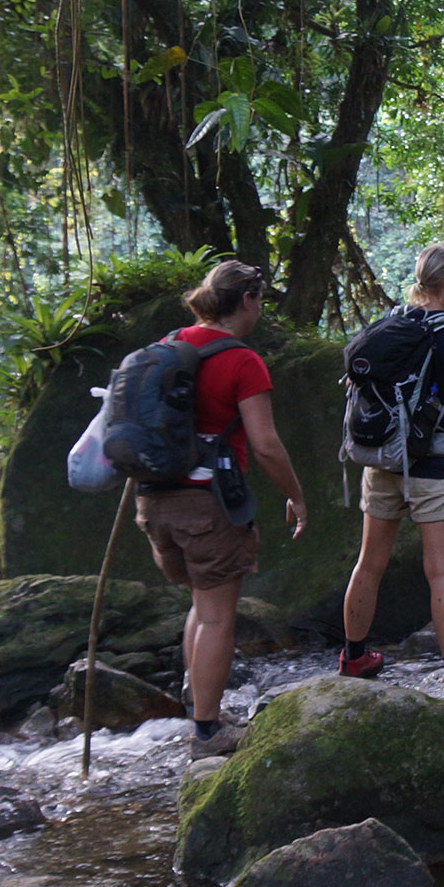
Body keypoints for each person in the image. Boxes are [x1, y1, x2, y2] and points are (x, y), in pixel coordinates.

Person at [132, 260, 307, 758]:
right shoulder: (241, 361)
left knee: (201, 607)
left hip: (154, 500)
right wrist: (295, 494)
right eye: (260, 301)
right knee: (216, 617)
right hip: (205, 505)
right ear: (247, 300)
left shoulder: (170, 344)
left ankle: (199, 709)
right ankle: (207, 733)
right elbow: (267, 445)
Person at [337, 242, 444, 700]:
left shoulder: (388, 324)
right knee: (441, 571)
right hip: (431, 464)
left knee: (369, 562)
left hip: (381, 459)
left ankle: (354, 657)